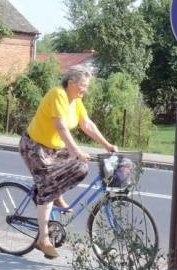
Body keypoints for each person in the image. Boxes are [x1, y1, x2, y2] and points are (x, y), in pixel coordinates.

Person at [19, 65, 117, 259]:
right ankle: (43, 239)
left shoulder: (76, 101)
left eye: (86, 86)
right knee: (46, 190)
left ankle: (56, 193)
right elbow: (61, 127)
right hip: (35, 147)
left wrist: (107, 145)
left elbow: (87, 124)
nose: (85, 89)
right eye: (83, 85)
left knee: (80, 167)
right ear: (70, 83)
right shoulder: (58, 95)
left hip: (54, 148)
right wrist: (76, 150)